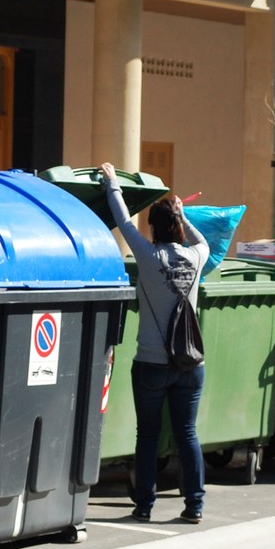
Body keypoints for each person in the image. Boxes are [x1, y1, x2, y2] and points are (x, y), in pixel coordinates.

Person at [101, 161, 210, 524]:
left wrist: (113, 182)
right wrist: (183, 214)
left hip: (151, 364)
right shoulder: (196, 258)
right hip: (191, 364)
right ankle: (194, 505)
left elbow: (122, 220)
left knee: (147, 436)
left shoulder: (147, 257)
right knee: (187, 435)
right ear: (177, 226)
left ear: (152, 229)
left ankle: (144, 505)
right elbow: (202, 241)